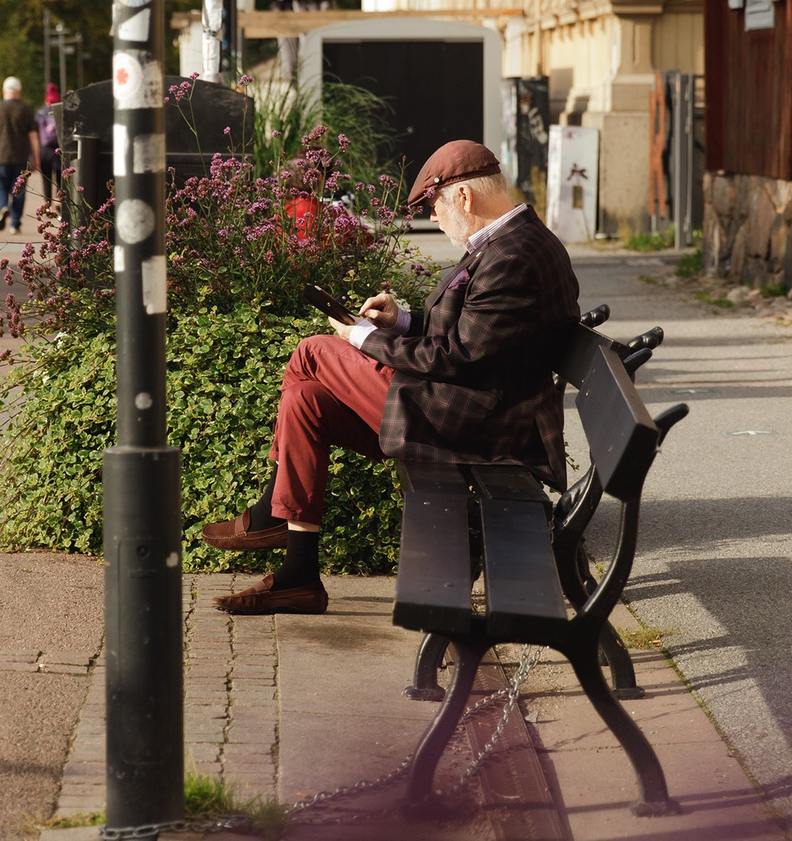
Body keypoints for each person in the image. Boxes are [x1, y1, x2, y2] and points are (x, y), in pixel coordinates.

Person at [201, 140, 580, 615]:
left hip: (474, 421)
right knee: (308, 401)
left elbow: (458, 355)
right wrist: (399, 321)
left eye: (433, 206)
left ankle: (272, 513)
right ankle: (299, 573)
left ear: (463, 197)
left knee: (312, 351)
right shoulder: (510, 242)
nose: (434, 217)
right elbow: (475, 339)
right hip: (468, 402)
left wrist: (361, 339)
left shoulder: (513, 255)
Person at [0, 76, 42, 232]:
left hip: (0, 156)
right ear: (19, 91)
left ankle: (3, 207)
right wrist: (36, 157)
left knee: (1, 186)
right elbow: (33, 136)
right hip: (21, 157)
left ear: (4, 91)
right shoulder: (26, 110)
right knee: (19, 190)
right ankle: (15, 224)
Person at [36, 83, 63, 209]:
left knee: (46, 178)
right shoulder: (61, 111)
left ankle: (47, 203)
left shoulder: (40, 114)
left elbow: (35, 134)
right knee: (60, 178)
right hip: (59, 150)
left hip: (44, 151)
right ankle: (59, 199)